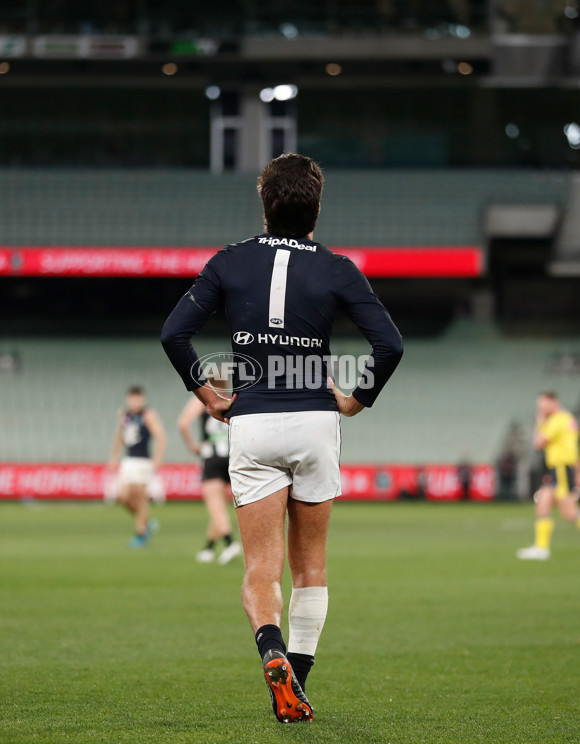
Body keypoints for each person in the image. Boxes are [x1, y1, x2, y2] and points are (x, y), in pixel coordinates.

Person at [161, 153, 403, 722]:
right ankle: (297, 677)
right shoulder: (339, 268)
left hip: (253, 422)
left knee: (260, 569)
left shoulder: (229, 262)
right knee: (311, 566)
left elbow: (175, 334)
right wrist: (355, 399)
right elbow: (389, 345)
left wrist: (209, 397)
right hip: (317, 421)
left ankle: (272, 652)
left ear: (263, 204)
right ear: (317, 207)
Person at [178, 385, 242, 565]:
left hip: (212, 457)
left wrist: (193, 446)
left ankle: (230, 543)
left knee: (215, 506)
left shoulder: (204, 399)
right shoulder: (232, 398)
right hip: (232, 456)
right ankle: (209, 546)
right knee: (220, 504)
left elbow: (183, 423)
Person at [517, 391, 580, 560]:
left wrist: (540, 421)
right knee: (544, 501)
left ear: (554, 402)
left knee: (569, 512)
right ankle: (541, 548)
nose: (541, 408)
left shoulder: (557, 420)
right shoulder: (567, 419)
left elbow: (539, 443)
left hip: (561, 467)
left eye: (543, 404)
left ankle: (541, 548)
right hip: (562, 467)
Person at [108, 386, 167, 549]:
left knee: (139, 496)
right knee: (122, 496)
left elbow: (160, 435)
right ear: (128, 399)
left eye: (138, 398)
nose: (135, 402)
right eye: (132, 398)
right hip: (128, 460)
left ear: (143, 399)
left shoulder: (148, 415)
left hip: (142, 460)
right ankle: (147, 521)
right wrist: (114, 457)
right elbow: (119, 436)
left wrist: (158, 458)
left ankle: (141, 533)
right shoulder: (125, 416)